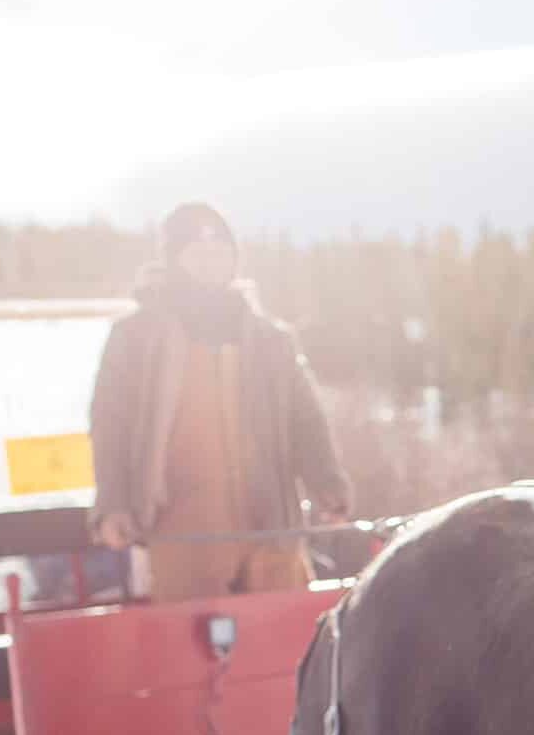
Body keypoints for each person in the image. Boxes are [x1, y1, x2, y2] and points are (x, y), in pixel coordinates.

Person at [87, 202, 350, 602]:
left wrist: (327, 480)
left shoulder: (270, 338)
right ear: (174, 259)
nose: (212, 261)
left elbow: (305, 419)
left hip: (271, 525)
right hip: (182, 530)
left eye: (221, 250)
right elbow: (110, 426)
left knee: (288, 644)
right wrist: (112, 505)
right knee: (195, 652)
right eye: (198, 252)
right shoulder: (135, 337)